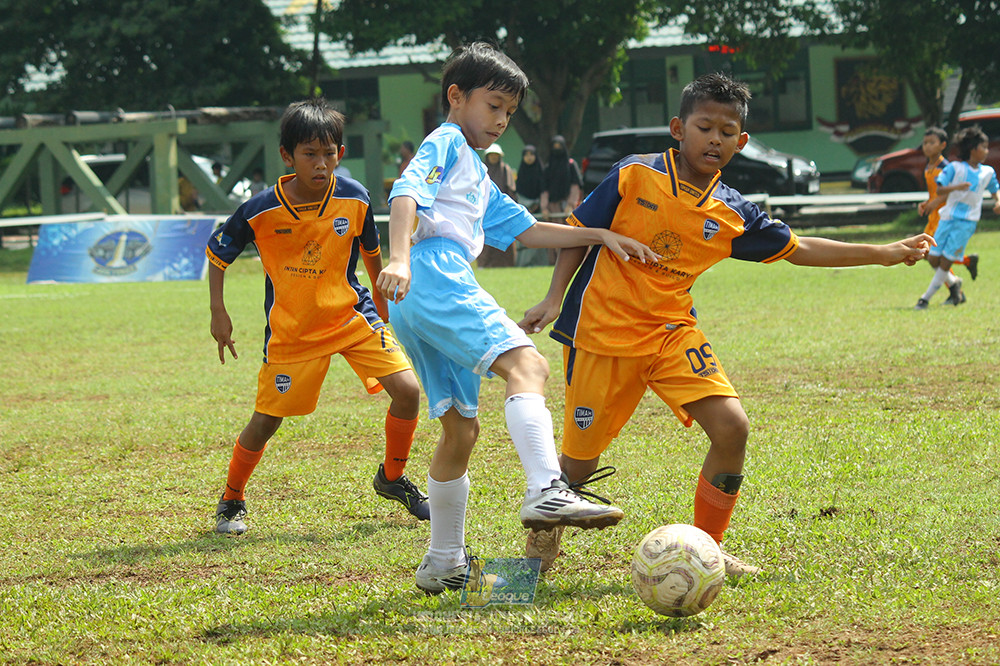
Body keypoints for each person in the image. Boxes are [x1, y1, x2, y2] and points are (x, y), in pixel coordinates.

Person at [518, 72, 933, 577]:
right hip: (601, 334)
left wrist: (884, 252)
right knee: (579, 464)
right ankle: (544, 537)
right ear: (679, 129)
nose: (715, 139)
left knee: (732, 427)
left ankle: (709, 550)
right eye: (704, 127)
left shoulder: (732, 212)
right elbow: (579, 232)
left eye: (727, 131)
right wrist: (553, 297)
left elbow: (799, 247)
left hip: (672, 333)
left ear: (742, 141)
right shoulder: (635, 174)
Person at [376, 41, 658, 594]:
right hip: (433, 275)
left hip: (419, 297)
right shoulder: (447, 142)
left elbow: (528, 230)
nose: (502, 120)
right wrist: (400, 258)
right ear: (456, 97)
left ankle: (443, 562)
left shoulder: (479, 176)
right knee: (530, 367)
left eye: (509, 111)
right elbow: (405, 194)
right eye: (494, 105)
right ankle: (546, 488)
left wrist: (599, 234)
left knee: (461, 430)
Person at [206, 97, 430, 536]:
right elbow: (218, 253)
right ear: (287, 156)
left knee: (407, 391)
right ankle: (232, 498)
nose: (321, 163)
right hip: (294, 331)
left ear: (340, 154)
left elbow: (371, 251)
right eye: (309, 153)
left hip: (352, 317)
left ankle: (392, 477)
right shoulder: (259, 209)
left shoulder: (355, 197)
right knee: (266, 421)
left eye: (329, 153)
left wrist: (382, 306)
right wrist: (219, 312)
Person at [914, 125, 999, 309]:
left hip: (966, 222)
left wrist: (998, 201)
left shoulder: (987, 172)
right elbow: (940, 190)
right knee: (932, 257)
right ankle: (957, 279)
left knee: (945, 261)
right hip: (945, 217)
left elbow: (995, 189)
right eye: (984, 147)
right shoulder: (952, 168)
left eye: (931, 142)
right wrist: (953, 189)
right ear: (972, 149)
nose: (987, 151)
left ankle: (925, 299)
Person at [916, 127, 978, 283]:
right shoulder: (928, 167)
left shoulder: (946, 168)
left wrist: (936, 202)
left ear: (943, 145)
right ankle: (965, 265)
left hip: (944, 215)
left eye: (932, 142)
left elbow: (952, 192)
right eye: (925, 143)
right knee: (928, 253)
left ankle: (954, 286)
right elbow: (934, 193)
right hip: (933, 216)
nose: (927, 146)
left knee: (932, 253)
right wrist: (927, 203)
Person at [479, 143, 519, 267]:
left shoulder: (505, 169)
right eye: (491, 155)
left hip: (502, 210)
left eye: (496, 155)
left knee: (505, 237)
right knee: (485, 240)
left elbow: (511, 190)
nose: (494, 157)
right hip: (484, 210)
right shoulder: (481, 170)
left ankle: (507, 264)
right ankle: (484, 265)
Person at [539, 134, 582, 219]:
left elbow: (575, 186)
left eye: (559, 147)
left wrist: (570, 204)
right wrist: (544, 208)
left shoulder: (571, 165)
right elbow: (544, 189)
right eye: (555, 147)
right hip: (552, 207)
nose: (557, 149)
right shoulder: (548, 168)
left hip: (568, 206)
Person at [515, 145, 544, 214]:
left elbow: (543, 189)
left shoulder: (541, 172)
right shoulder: (521, 172)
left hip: (541, 207)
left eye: (531, 154)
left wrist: (537, 204)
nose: (529, 157)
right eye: (526, 155)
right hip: (523, 206)